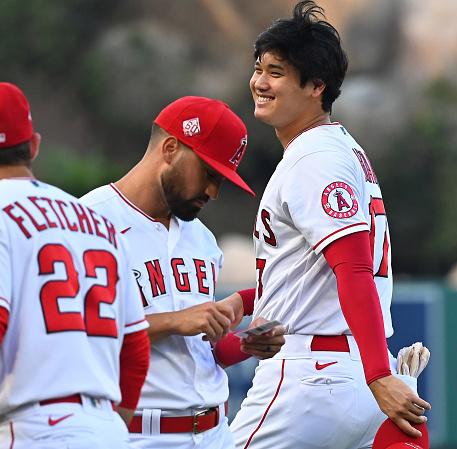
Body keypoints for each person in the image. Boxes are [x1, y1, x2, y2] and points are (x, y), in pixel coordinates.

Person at [0, 82, 150, 449]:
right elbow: (134, 346)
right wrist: (105, 428)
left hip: (34, 429)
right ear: (33, 145)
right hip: (106, 429)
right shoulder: (99, 223)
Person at [229, 2, 431, 448]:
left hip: (313, 376)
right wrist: (246, 302)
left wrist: (380, 375)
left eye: (276, 72)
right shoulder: (338, 149)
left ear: (316, 85)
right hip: (348, 373)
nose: (259, 82)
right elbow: (315, 272)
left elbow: (353, 267)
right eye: (259, 67)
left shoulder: (316, 158)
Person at [81, 96, 286, 449]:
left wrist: (243, 345)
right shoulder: (89, 222)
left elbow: (200, 351)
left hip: (215, 432)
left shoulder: (202, 239)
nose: (213, 192)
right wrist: (175, 320)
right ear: (171, 148)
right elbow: (83, 339)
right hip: (136, 433)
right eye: (209, 174)